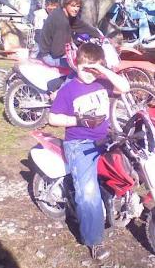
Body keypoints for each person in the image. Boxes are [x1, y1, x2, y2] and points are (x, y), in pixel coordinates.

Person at [48, 43, 130, 261]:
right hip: (79, 144)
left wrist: (101, 70)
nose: (89, 74)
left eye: (93, 69)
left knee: (131, 168)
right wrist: (79, 120)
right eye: (85, 68)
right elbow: (53, 118)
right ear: (76, 65)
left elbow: (125, 87)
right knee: (88, 193)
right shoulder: (69, 89)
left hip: (104, 140)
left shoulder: (102, 82)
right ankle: (94, 240)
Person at [39, 0, 100, 68]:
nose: (76, 9)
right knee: (80, 66)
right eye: (73, 6)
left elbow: (83, 26)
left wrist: (99, 35)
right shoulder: (60, 20)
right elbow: (57, 52)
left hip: (54, 52)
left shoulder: (67, 15)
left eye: (78, 6)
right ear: (65, 5)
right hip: (49, 56)